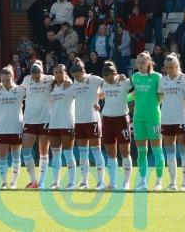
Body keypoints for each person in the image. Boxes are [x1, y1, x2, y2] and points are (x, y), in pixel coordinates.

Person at [69, 59, 106, 190]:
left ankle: (101, 182)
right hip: (79, 121)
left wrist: (102, 96)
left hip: (92, 120)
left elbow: (110, 83)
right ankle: (84, 182)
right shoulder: (74, 83)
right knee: (83, 153)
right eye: (74, 77)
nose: (77, 79)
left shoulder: (95, 79)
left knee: (96, 151)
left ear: (83, 71)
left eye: (78, 76)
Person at [130, 51, 164, 191]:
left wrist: (152, 105)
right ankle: (143, 181)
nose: (139, 65)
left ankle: (159, 182)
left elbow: (160, 97)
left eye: (142, 62)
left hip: (153, 118)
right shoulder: (134, 77)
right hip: (138, 118)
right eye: (138, 62)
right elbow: (134, 95)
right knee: (141, 151)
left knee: (157, 150)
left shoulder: (157, 77)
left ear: (149, 62)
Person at [39, 64, 75, 190]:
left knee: (68, 154)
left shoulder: (71, 86)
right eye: (56, 72)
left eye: (60, 72)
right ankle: (55, 182)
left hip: (67, 123)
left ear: (66, 73)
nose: (58, 74)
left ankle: (71, 183)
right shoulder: (51, 87)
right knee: (55, 155)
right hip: (53, 124)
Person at [159, 54, 185, 191]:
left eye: (171, 67)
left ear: (177, 66)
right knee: (170, 151)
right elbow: (160, 98)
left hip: (182, 119)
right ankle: (172, 183)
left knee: (183, 150)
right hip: (166, 119)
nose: (169, 70)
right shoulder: (162, 80)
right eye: (166, 67)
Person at [99, 61, 132, 190]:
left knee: (125, 152)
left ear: (116, 73)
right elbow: (99, 95)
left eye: (111, 76)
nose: (109, 79)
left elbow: (136, 90)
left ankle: (126, 183)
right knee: (110, 154)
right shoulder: (103, 83)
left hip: (121, 119)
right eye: (106, 77)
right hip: (107, 120)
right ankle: (112, 183)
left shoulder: (125, 82)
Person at [20, 63, 54, 189]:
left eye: (38, 76)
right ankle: (33, 181)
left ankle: (42, 182)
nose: (36, 78)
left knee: (43, 152)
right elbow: (18, 90)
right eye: (33, 76)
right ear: (30, 74)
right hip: (30, 120)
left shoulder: (50, 79)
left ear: (42, 72)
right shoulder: (26, 80)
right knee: (26, 150)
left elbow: (63, 80)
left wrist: (67, 80)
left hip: (45, 119)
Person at [0, 66, 24, 189]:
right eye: (3, 80)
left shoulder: (21, 90)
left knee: (16, 157)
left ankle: (14, 183)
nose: (5, 82)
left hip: (17, 128)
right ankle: (4, 182)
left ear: (13, 77)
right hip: (1, 128)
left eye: (8, 80)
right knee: (2, 157)